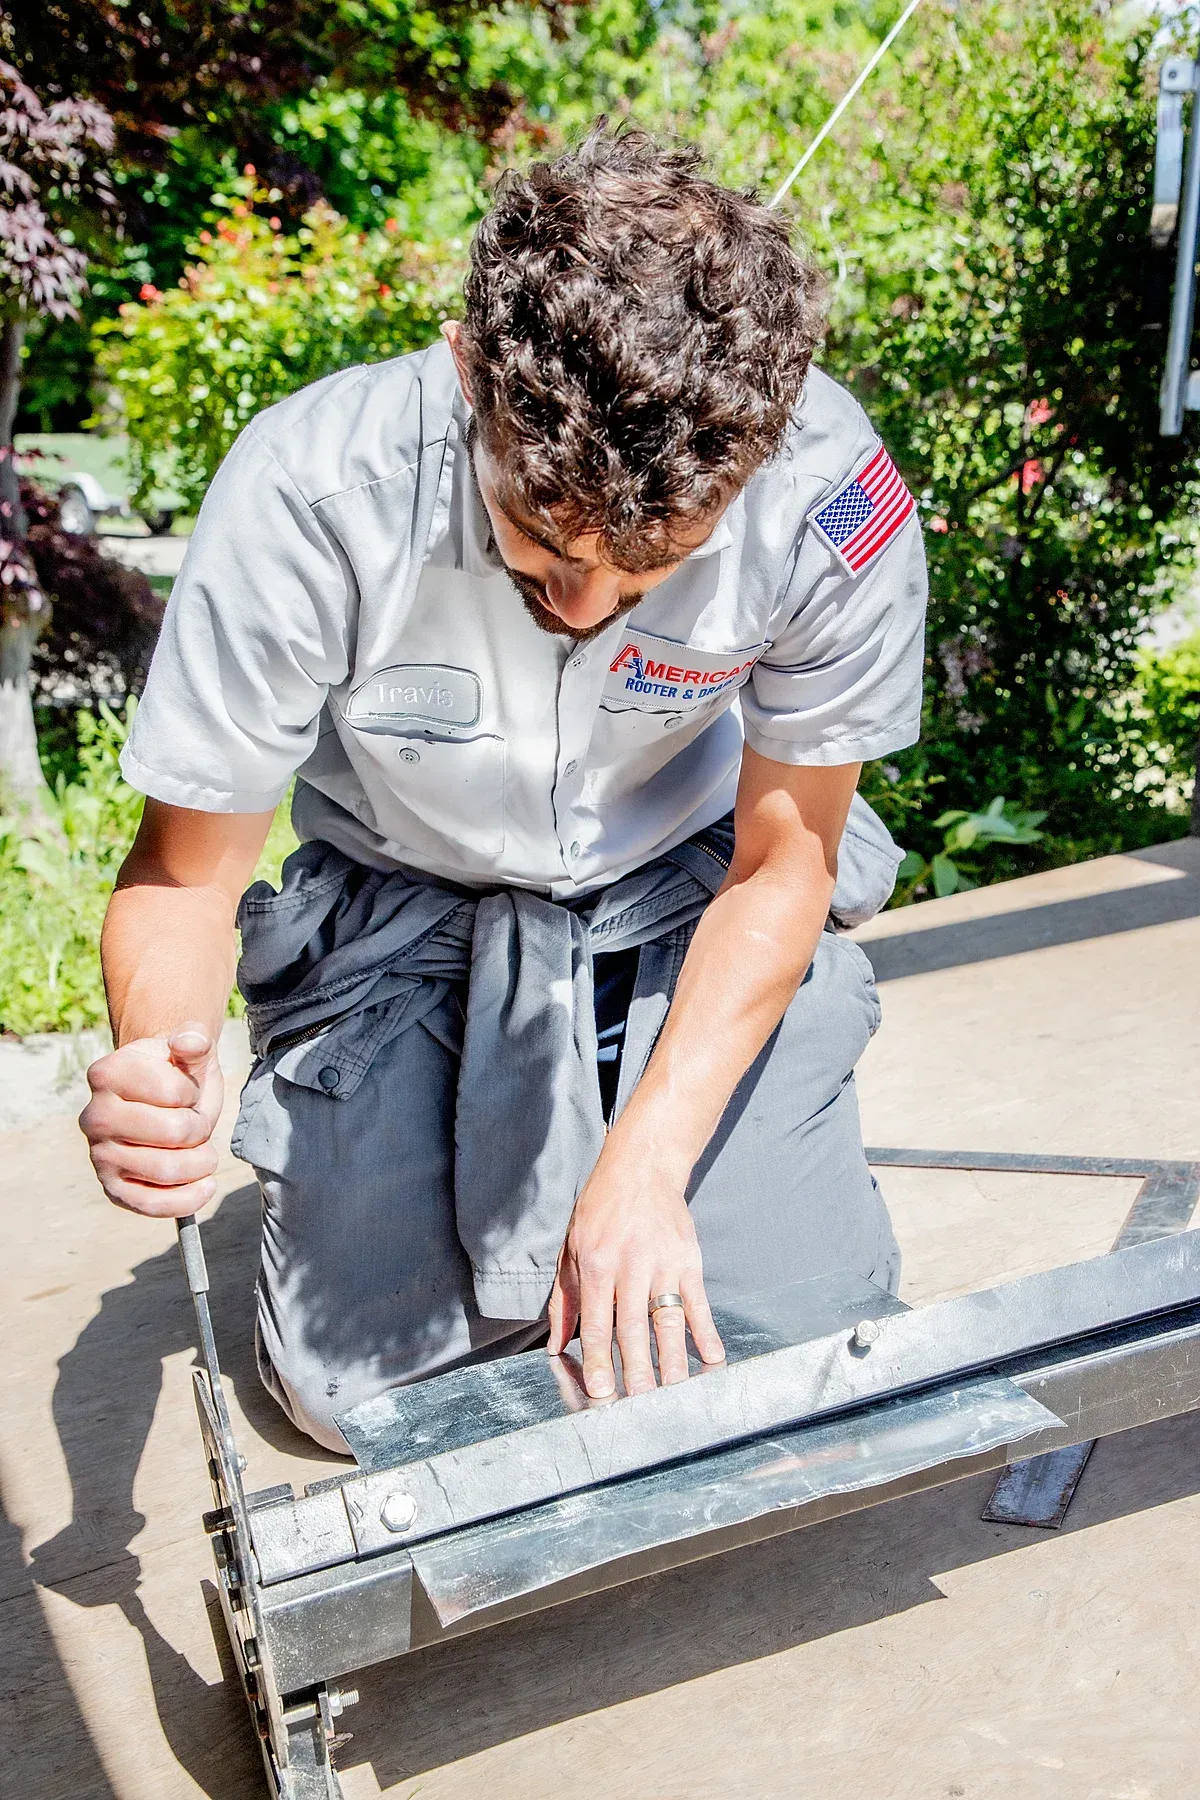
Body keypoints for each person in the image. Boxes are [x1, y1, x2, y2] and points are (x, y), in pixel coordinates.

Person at [79, 126, 927, 1454]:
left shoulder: (829, 494)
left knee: (803, 1335)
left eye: (647, 575)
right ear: (472, 369)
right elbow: (185, 880)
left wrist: (644, 1168)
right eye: (542, 549)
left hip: (689, 891)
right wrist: (155, 1057)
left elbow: (785, 867)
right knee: (363, 1406)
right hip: (408, 904)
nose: (586, 608)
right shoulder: (313, 491)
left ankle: (633, 1119)